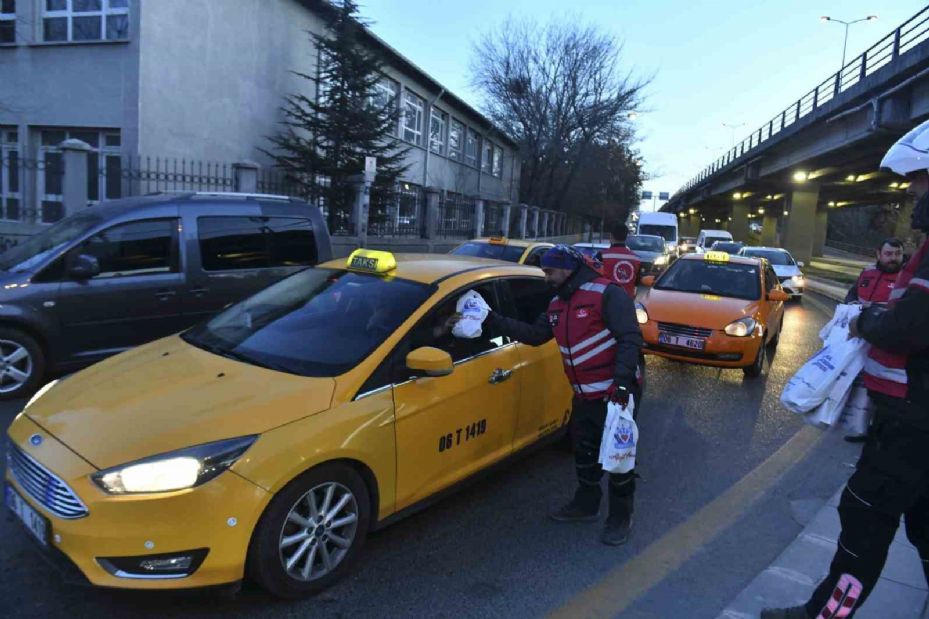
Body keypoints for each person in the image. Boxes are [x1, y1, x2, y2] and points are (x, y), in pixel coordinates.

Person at [763, 121, 929, 619]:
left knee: (864, 518)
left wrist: (869, 319)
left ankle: (824, 615)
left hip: (910, 423)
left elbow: (910, 327)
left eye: (920, 177)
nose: (913, 188)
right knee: (922, 522)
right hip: (913, 419)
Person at [483, 244, 644, 545]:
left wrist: (621, 384)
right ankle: (586, 504)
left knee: (619, 460)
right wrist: (491, 319)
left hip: (616, 396)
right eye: (545, 271)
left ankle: (621, 517)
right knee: (584, 454)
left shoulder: (607, 294)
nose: (547, 278)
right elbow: (535, 335)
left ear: (568, 269)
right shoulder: (557, 303)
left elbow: (630, 338)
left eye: (550, 272)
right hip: (583, 397)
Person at [841, 238, 904, 443]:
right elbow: (851, 296)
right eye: (889, 254)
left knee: (882, 388)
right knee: (859, 385)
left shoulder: (906, 279)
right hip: (860, 337)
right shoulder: (867, 273)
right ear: (878, 254)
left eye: (897, 254)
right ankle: (859, 428)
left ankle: (879, 432)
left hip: (886, 342)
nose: (893, 258)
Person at [600, 224, 642, 299]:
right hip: (626, 302)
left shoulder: (602, 256)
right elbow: (637, 282)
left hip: (606, 300)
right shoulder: (636, 259)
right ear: (626, 237)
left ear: (611, 236)